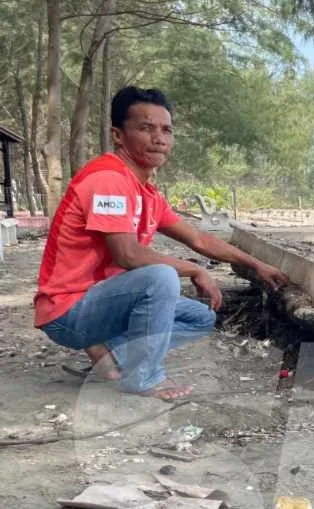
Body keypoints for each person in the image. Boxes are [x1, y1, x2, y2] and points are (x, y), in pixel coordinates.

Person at [34, 86, 289, 400]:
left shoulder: (147, 193)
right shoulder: (108, 179)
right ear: (117, 135)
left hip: (104, 301)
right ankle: (141, 379)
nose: (159, 138)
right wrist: (194, 270)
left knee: (201, 318)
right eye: (146, 128)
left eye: (166, 130)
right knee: (161, 276)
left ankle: (112, 355)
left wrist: (256, 264)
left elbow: (198, 238)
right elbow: (127, 254)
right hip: (69, 310)